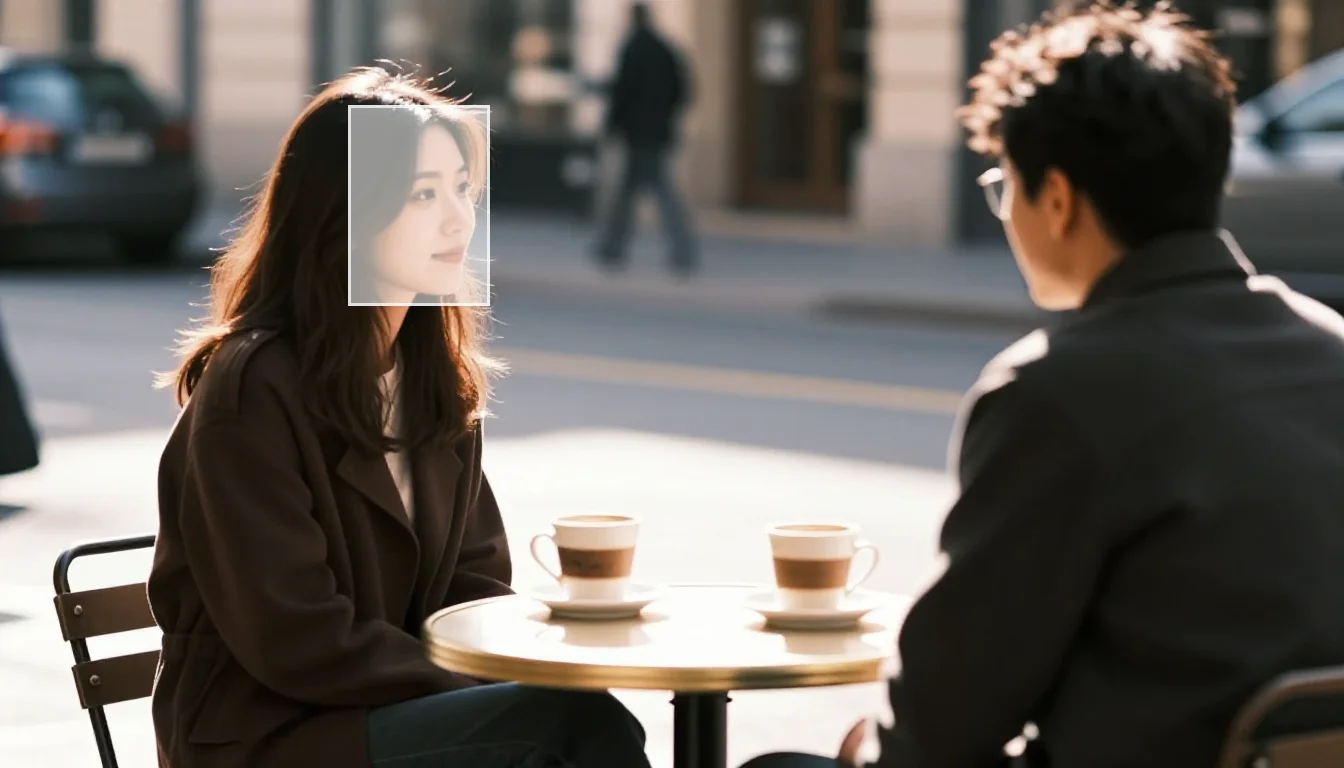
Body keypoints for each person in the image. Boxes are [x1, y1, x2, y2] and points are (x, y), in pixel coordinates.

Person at [742, 3, 1344, 767]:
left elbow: (941, 727)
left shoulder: (1056, 391)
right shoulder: (1331, 347)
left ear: (1056, 199)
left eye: (1007, 188)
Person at [147, 68, 650, 768]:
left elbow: (476, 585)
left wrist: (512, 664)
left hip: (394, 709)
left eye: (462, 191)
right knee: (568, 724)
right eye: (422, 194)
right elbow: (297, 635)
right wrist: (477, 682)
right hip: (270, 735)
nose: (457, 219)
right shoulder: (253, 388)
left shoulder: (431, 378)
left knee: (577, 713)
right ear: (344, 214)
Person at [594, 1, 697, 277]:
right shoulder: (664, 49)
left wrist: (613, 126)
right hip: (656, 132)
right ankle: (614, 247)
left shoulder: (635, 48)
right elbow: (682, 91)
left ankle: (678, 250)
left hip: (639, 134)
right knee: (638, 192)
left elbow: (623, 93)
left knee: (652, 192)